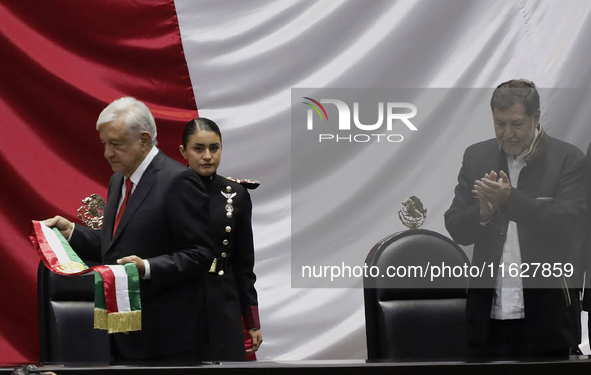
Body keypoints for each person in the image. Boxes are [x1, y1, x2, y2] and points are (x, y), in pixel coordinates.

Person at [44, 97, 214, 364]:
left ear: (144, 140)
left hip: (168, 342)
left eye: (116, 144)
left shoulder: (178, 180)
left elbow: (200, 254)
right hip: (123, 334)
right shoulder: (118, 180)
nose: (107, 153)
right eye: (105, 144)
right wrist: (73, 233)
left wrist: (146, 267)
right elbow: (116, 247)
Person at [444, 79, 586, 360]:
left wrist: (510, 200)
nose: (507, 133)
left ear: (536, 118)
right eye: (499, 124)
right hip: (487, 318)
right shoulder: (477, 156)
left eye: (516, 124)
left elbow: (567, 223)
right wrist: (483, 213)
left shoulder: (568, 159)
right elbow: (457, 226)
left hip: (548, 319)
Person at [179, 117, 262, 361]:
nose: (207, 156)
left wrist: (252, 322)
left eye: (214, 148)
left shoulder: (236, 194)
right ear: (183, 151)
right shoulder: (169, 190)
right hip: (183, 297)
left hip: (223, 298)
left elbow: (244, 264)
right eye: (198, 148)